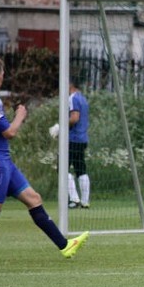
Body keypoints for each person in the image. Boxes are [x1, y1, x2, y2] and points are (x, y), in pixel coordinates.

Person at [0, 56, 89, 258]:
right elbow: (9, 133)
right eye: (3, 75)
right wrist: (20, 116)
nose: (2, 79)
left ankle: (65, 245)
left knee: (34, 199)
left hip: (3, 160)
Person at [67, 78, 90, 209]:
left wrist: (61, 126)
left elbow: (74, 117)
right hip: (82, 138)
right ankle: (85, 201)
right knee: (80, 168)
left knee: (62, 168)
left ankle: (74, 199)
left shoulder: (73, 98)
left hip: (73, 139)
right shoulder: (83, 98)